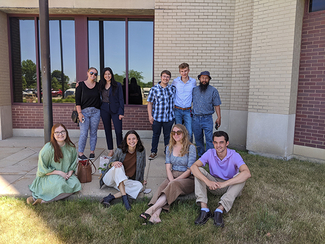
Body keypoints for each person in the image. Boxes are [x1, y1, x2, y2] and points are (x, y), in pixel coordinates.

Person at [190, 131, 251, 227]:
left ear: (227, 143)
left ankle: (220, 209)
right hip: (214, 185)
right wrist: (208, 181)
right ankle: (204, 209)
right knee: (199, 170)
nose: (218, 145)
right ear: (213, 143)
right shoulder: (210, 153)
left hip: (230, 188)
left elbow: (247, 173)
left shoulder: (234, 155)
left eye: (221, 142)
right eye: (216, 142)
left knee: (242, 176)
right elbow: (193, 167)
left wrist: (225, 183)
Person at [139, 124, 196, 224]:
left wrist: (173, 182)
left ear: (184, 133)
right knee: (162, 187)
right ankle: (156, 216)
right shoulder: (169, 147)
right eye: (173, 132)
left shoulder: (191, 148)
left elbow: (189, 170)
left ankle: (151, 210)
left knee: (171, 185)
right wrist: (171, 180)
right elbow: (168, 168)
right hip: (172, 175)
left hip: (188, 179)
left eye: (179, 132)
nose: (176, 135)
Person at [27, 123, 82, 205]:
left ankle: (42, 201)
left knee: (76, 184)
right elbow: (42, 169)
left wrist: (69, 174)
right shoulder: (48, 148)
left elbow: (73, 165)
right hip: (48, 175)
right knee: (59, 184)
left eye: (63, 131)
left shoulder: (71, 147)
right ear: (53, 135)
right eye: (57, 132)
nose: (60, 134)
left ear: (66, 132)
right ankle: (39, 199)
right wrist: (60, 173)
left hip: (66, 175)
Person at [99, 130, 146, 211]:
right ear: (126, 140)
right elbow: (109, 164)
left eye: (134, 139)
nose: (132, 141)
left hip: (123, 180)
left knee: (140, 186)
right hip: (110, 179)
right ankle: (125, 200)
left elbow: (142, 166)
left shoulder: (141, 151)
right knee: (119, 166)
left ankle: (110, 197)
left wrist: (141, 180)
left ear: (137, 140)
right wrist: (113, 163)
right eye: (129, 139)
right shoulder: (120, 150)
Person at [147, 70, 176, 160]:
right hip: (157, 118)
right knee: (156, 135)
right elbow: (150, 103)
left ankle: (167, 152)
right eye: (164, 76)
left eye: (167, 77)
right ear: (161, 77)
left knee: (168, 136)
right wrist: (150, 116)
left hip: (169, 118)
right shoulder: (154, 89)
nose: (165, 78)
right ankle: (153, 152)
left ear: (169, 78)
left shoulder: (172, 89)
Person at [192, 71, 221, 157]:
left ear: (209, 79)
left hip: (207, 118)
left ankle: (209, 156)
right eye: (202, 78)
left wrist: (219, 117)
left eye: (206, 78)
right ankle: (201, 155)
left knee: (209, 138)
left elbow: (217, 105)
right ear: (199, 79)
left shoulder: (213, 90)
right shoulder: (194, 90)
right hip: (195, 118)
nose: (204, 80)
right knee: (198, 138)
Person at [75, 67, 101, 160]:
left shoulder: (98, 86)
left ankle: (92, 152)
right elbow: (77, 101)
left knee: (93, 132)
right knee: (84, 133)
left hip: (96, 112)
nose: (93, 75)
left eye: (95, 74)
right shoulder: (81, 85)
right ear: (87, 73)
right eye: (91, 73)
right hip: (84, 112)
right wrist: (79, 113)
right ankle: (80, 153)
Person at [99, 67, 124, 157]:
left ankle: (120, 149)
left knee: (118, 131)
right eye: (105, 74)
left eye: (109, 74)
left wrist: (121, 112)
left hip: (116, 110)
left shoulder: (117, 85)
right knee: (107, 130)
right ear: (103, 75)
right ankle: (110, 150)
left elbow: (121, 99)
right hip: (104, 109)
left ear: (111, 75)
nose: (107, 76)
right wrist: (80, 86)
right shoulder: (100, 85)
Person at [172, 63, 196, 141]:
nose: (184, 73)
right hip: (177, 110)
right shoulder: (175, 81)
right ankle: (179, 149)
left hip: (188, 110)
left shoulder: (193, 81)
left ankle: (189, 149)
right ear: (179, 72)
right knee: (178, 131)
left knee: (189, 131)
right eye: (182, 71)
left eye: (185, 71)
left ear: (188, 70)